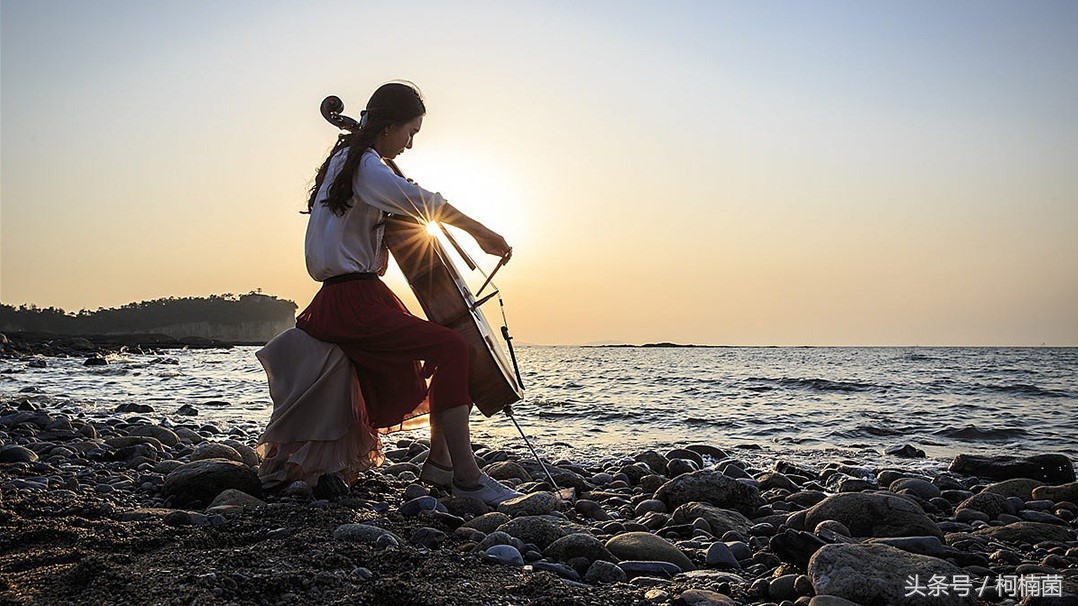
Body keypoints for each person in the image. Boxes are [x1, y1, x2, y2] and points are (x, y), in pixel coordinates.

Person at [262, 81, 521, 506]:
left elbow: (398, 203)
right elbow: (418, 199)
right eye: (410, 133)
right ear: (388, 125)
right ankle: (467, 478)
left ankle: (440, 464)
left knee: (446, 350)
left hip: (353, 295)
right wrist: (480, 232)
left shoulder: (347, 162)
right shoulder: (363, 165)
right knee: (454, 347)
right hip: (353, 302)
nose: (410, 144)